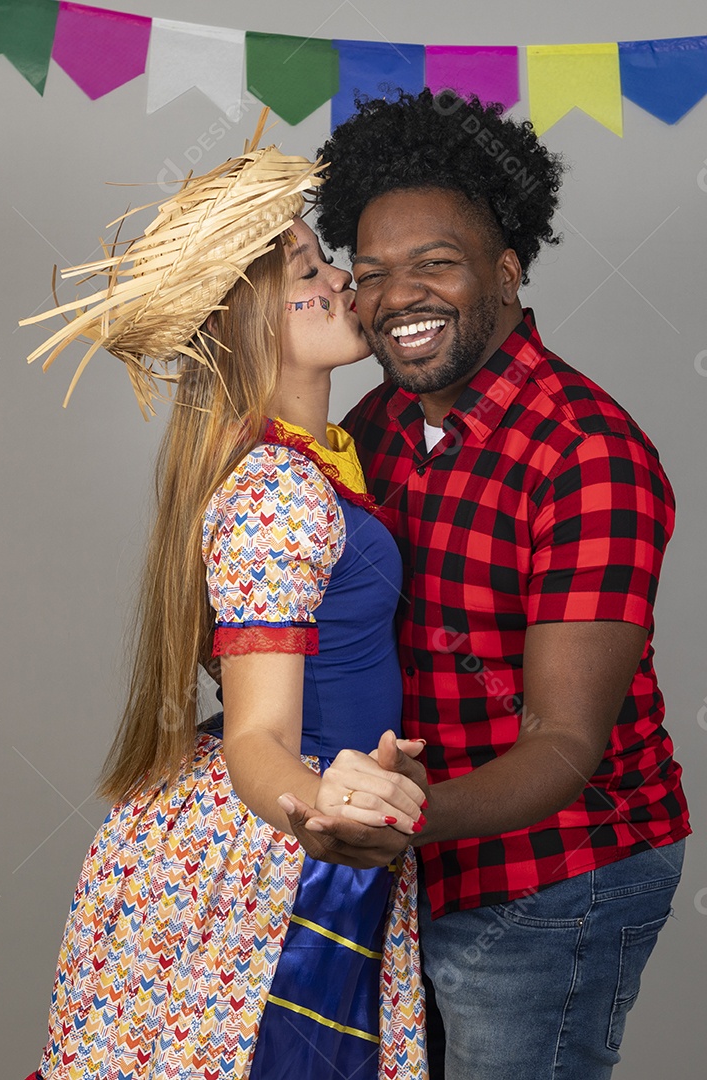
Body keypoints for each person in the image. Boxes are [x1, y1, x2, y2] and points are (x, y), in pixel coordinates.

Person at [277, 89, 691, 1080]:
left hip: (554, 875)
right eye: (371, 274)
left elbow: (565, 743)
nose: (396, 298)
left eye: (436, 265)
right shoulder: (372, 430)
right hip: (414, 859)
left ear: (506, 274)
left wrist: (405, 816)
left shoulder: (588, 454)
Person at [20, 118, 429, 1080]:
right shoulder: (279, 491)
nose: (340, 283)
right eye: (306, 278)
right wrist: (320, 808)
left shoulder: (309, 460)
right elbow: (255, 739)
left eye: (328, 260)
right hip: (289, 857)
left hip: (320, 822)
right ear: (251, 324)